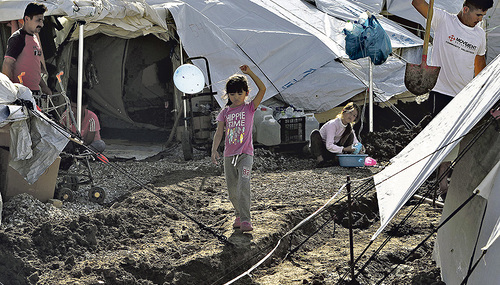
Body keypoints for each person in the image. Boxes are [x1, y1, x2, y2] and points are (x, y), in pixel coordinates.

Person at [412, 0, 493, 199]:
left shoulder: (479, 34)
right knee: (442, 140)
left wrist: (481, 91)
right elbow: (416, 2)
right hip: (440, 92)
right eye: (478, 15)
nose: (480, 20)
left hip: (464, 96)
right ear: (465, 9)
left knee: (456, 141)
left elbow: (479, 64)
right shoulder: (442, 20)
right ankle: (441, 186)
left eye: (482, 16)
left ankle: (448, 183)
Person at [211, 65, 266, 232]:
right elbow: (219, 133)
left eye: (239, 93)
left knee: (243, 183)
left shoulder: (249, 108)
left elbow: (263, 88)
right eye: (232, 94)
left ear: (246, 93)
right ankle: (238, 214)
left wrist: (249, 73)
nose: (236, 97)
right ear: (228, 94)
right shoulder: (225, 112)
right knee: (232, 189)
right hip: (229, 156)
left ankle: (246, 219)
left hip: (245, 154)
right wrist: (214, 150)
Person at [2, 2, 52, 96]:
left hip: (34, 93)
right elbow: (7, 64)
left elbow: (35, 67)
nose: (41, 24)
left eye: (42, 21)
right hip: (21, 94)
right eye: (38, 20)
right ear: (27, 19)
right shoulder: (18, 38)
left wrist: (44, 87)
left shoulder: (34, 38)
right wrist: (8, 91)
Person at [309, 102, 363, 167]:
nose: (351, 116)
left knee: (350, 134)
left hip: (333, 151)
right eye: (350, 113)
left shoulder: (349, 128)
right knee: (315, 133)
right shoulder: (333, 124)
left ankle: (341, 158)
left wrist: (360, 148)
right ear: (344, 111)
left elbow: (355, 142)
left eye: (354, 115)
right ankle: (320, 160)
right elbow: (329, 145)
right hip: (322, 149)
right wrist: (345, 149)